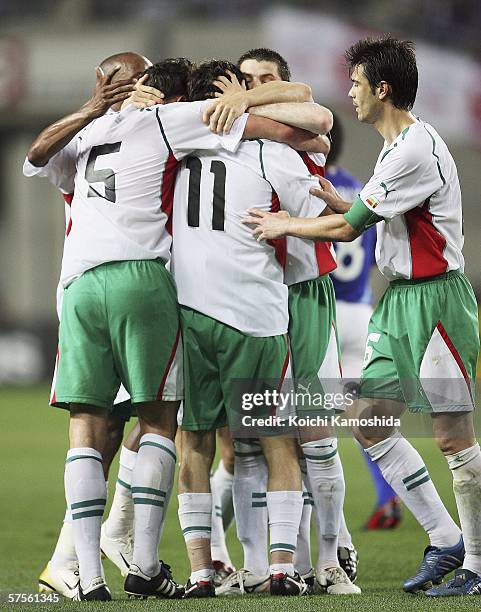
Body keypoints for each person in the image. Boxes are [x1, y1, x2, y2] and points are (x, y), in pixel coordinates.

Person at [243, 35, 481, 597]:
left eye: (355, 83)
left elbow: (351, 228)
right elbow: (361, 214)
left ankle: (476, 561)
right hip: (400, 302)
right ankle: (446, 538)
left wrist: (285, 226)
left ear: (382, 89)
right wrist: (331, 198)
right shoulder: (396, 148)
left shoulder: (413, 150)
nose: (347, 92)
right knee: (369, 420)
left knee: (453, 437)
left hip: (438, 302)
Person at [173, 59, 332, 598]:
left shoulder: (175, 148)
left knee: (194, 438)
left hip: (190, 312)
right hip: (257, 317)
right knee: (276, 440)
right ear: (237, 93)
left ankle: (201, 570)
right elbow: (317, 196)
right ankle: (285, 566)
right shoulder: (271, 152)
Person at [212, 48, 359, 595]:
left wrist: (242, 102)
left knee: (316, 436)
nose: (252, 87)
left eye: (265, 79)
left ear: (285, 83)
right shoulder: (232, 138)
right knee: (252, 439)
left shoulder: (297, 124)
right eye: (244, 80)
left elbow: (317, 120)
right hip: (251, 297)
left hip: (304, 291)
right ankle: (256, 566)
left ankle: (329, 560)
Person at [26, 52, 150, 599]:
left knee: (124, 427)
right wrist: (90, 109)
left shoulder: (152, 127)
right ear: (103, 82)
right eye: (130, 79)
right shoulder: (84, 136)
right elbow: (35, 153)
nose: (140, 87)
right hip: (95, 292)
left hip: (133, 292)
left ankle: (80, 554)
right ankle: (90, 550)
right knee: (111, 427)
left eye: (144, 78)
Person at [327, 114, 402, 530]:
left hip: (323, 313)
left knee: (305, 423)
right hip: (360, 309)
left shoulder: (308, 183)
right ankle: (387, 496)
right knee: (363, 415)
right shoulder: (360, 186)